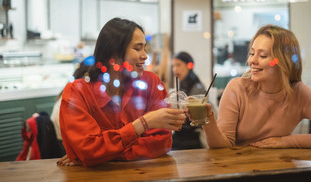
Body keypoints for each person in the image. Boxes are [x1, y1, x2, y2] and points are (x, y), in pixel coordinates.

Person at [57, 18, 186, 167]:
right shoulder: (77, 92)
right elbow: (88, 150)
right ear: (114, 53)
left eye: (145, 48)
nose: (145, 56)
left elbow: (162, 143)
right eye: (138, 49)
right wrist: (143, 124)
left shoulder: (151, 82)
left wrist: (100, 155)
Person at [197, 25, 311, 149]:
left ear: (283, 61)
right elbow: (223, 146)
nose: (252, 61)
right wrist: (207, 119)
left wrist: (287, 141)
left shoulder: (299, 92)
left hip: (279, 166)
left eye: (262, 55)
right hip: (239, 167)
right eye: (252, 53)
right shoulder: (237, 88)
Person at [50, 60, 90, 151]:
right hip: (65, 146)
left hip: (64, 142)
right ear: (87, 76)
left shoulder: (71, 87)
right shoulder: (75, 95)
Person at [171, 51, 206, 150]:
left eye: (178, 65)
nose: (175, 69)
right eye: (173, 66)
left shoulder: (197, 87)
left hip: (192, 138)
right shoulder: (182, 84)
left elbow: (196, 117)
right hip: (180, 135)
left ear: (189, 66)